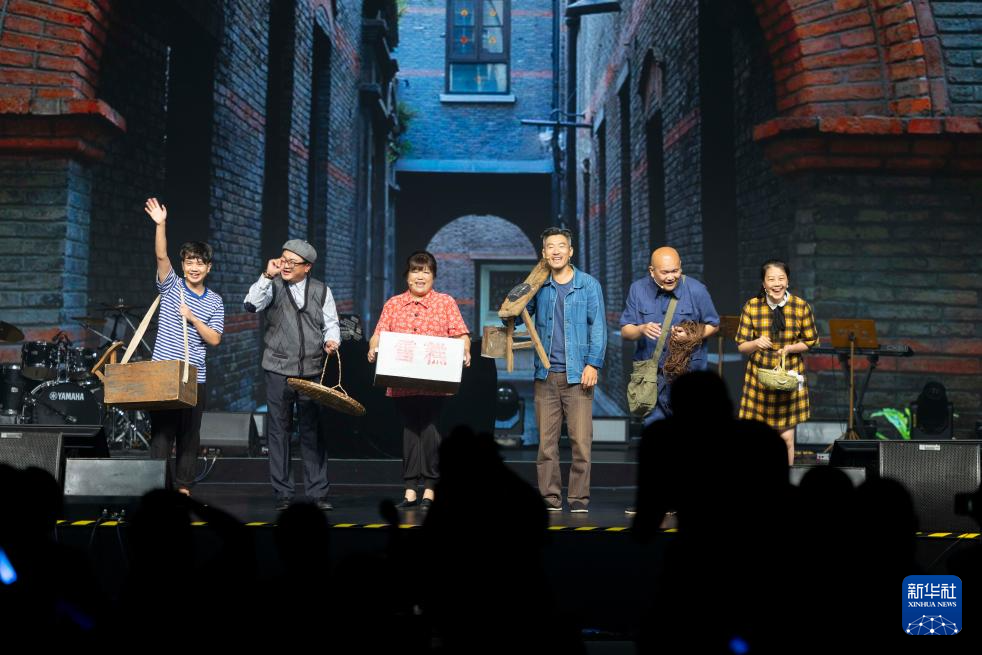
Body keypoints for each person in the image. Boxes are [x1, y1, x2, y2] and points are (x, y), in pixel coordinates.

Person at [368, 251, 470, 511]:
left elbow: (461, 334)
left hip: (435, 382)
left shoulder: (445, 303)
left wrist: (465, 350)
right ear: (407, 275)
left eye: (426, 271)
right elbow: (378, 334)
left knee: (430, 431)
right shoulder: (393, 304)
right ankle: (410, 489)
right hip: (402, 381)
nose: (420, 276)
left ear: (433, 276)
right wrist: (373, 347)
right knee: (410, 431)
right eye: (415, 271)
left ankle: (431, 489)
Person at [244, 239, 340, 511]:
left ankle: (318, 493)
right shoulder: (272, 285)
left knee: (312, 431)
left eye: (292, 262)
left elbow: (331, 323)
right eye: (283, 259)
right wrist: (266, 275)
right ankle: (283, 493)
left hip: (311, 371)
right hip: (277, 370)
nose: (285, 266)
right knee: (278, 431)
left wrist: (332, 340)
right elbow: (251, 304)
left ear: (307, 267)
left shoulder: (321, 290)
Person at [521, 228, 606, 513]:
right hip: (545, 375)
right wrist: (514, 302)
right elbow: (518, 313)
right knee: (546, 445)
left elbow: (599, 327)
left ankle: (579, 499)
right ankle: (550, 498)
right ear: (543, 253)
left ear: (570, 251)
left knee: (581, 442)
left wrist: (593, 363)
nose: (556, 251)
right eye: (550, 247)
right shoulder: (539, 285)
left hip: (578, 375)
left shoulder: (588, 285)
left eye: (561, 246)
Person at [144, 197, 224, 496]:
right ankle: (157, 487)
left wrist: (193, 318)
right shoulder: (172, 286)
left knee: (189, 435)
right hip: (163, 372)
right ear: (183, 265)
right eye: (189, 262)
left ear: (208, 267)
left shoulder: (215, 301)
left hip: (195, 375)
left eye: (199, 263)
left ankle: (184, 488)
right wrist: (161, 224)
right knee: (161, 434)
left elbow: (214, 339)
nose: (194, 267)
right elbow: (161, 255)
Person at [620, 246, 720, 427]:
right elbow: (626, 331)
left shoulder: (697, 290)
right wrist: (641, 329)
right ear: (652, 271)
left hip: (687, 379)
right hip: (651, 380)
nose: (671, 277)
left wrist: (691, 335)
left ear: (680, 267)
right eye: (665, 272)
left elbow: (714, 325)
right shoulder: (637, 289)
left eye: (675, 271)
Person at [735, 259, 819, 465]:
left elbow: (811, 341)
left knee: (786, 439)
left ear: (787, 281)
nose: (777, 283)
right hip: (759, 380)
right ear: (764, 283)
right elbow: (742, 346)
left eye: (781, 278)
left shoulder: (800, 306)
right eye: (771, 279)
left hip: (788, 377)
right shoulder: (752, 306)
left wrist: (790, 348)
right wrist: (756, 342)